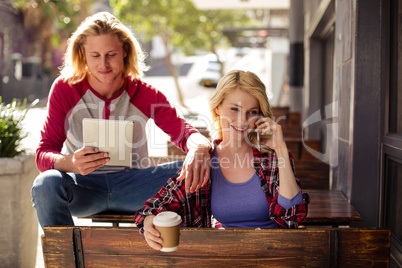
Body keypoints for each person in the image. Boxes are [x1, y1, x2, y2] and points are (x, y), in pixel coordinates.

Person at [31, 12, 211, 229]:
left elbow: (182, 131)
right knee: (45, 183)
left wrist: (199, 146)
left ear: (125, 51)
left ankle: (187, 254)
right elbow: (43, 154)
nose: (103, 64)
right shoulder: (65, 89)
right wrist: (70, 163)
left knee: (204, 168)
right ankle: (64, 256)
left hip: (135, 188)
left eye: (111, 54)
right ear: (83, 54)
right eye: (95, 55)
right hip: (84, 189)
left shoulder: (144, 92)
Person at [134, 70, 310, 251]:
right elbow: (156, 206)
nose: (243, 120)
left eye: (252, 112)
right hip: (225, 254)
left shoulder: (271, 158)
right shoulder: (206, 161)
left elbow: (292, 218)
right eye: (235, 109)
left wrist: (281, 149)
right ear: (218, 107)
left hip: (275, 254)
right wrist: (148, 221)